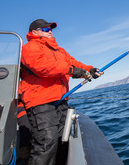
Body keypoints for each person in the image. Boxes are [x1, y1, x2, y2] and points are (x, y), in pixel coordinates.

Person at [19, 19, 103, 165]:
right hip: (41, 102)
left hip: (60, 100)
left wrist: (89, 69)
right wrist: (72, 71)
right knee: (46, 142)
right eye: (45, 29)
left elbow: (73, 63)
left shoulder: (59, 50)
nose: (50, 31)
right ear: (34, 32)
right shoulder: (30, 47)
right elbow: (43, 67)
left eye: (50, 28)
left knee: (61, 140)